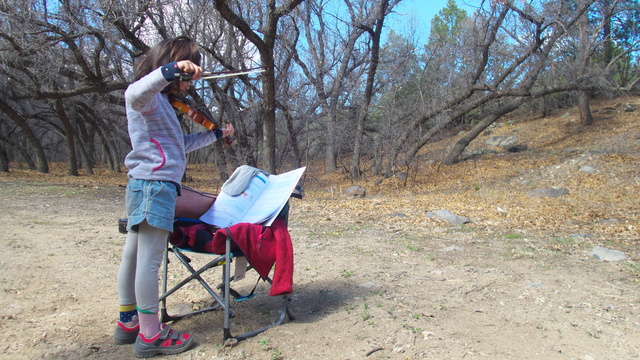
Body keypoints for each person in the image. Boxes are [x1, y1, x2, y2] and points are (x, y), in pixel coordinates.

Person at [114, 36, 234, 358]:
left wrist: (216, 134)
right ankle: (151, 334)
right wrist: (170, 70)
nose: (188, 84)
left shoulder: (164, 105)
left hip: (147, 184)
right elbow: (133, 93)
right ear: (174, 65)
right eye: (187, 72)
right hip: (155, 186)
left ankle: (129, 322)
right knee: (149, 261)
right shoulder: (149, 96)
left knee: (135, 255)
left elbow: (178, 144)